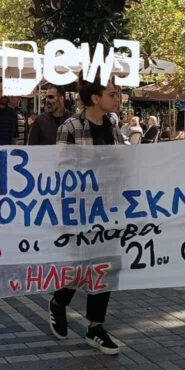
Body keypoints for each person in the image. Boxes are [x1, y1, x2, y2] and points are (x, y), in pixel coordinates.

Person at [49, 78, 128, 355]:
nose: (117, 98)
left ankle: (95, 327)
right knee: (80, 265)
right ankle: (59, 302)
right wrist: (63, 212)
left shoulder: (113, 124)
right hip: (80, 209)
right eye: (112, 94)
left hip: (109, 207)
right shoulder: (70, 127)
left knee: (105, 266)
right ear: (95, 98)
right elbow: (61, 173)